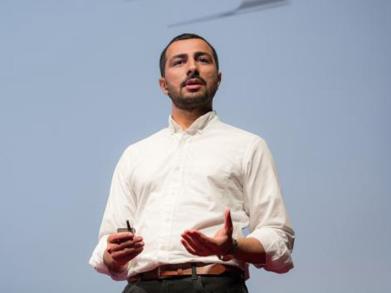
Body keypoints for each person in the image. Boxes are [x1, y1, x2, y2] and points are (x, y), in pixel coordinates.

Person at [89, 33, 295, 293]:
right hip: (140, 287)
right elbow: (108, 244)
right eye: (179, 62)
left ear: (218, 78)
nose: (192, 68)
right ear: (163, 84)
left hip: (215, 284)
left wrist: (230, 246)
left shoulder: (248, 146)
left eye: (202, 59)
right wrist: (113, 254)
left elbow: (278, 238)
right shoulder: (135, 154)